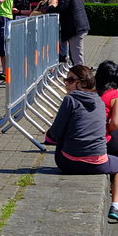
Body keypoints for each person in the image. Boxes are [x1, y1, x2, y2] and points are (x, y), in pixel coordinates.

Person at [44, 65, 118, 221]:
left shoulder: (69, 100)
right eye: (66, 79)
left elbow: (56, 133)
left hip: (68, 163)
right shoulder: (98, 100)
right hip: (98, 163)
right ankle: (116, 205)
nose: (66, 83)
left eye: (70, 80)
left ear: (83, 83)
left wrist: (50, 136)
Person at [47, 0, 90, 65]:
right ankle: (79, 73)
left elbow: (61, 8)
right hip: (77, 27)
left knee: (76, 55)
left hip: (76, 28)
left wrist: (49, 8)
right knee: (75, 54)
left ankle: (81, 76)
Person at [95, 60, 118, 155]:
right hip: (103, 142)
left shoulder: (90, 92)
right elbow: (115, 123)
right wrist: (109, 129)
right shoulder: (115, 95)